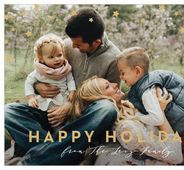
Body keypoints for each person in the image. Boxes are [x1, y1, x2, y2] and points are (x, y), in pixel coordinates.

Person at [5, 7, 120, 164]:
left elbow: (108, 98)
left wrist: (71, 107)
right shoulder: (67, 45)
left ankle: (34, 160)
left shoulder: (114, 60)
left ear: (96, 42)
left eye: (78, 45)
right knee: (7, 111)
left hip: (80, 121)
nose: (72, 47)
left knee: (106, 109)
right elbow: (42, 64)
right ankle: (64, 152)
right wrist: (38, 86)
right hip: (50, 111)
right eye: (71, 42)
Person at [73, 76, 183, 165]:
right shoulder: (126, 128)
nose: (115, 84)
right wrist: (160, 113)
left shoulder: (128, 106)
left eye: (110, 82)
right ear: (102, 100)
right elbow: (175, 156)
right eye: (108, 87)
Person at [25, 33, 76, 115]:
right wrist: (31, 97)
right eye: (51, 57)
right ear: (41, 59)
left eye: (59, 55)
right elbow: (28, 82)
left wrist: (72, 91)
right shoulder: (40, 71)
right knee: (39, 113)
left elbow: (70, 80)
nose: (57, 59)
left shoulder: (65, 69)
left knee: (64, 115)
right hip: (45, 100)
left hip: (63, 98)